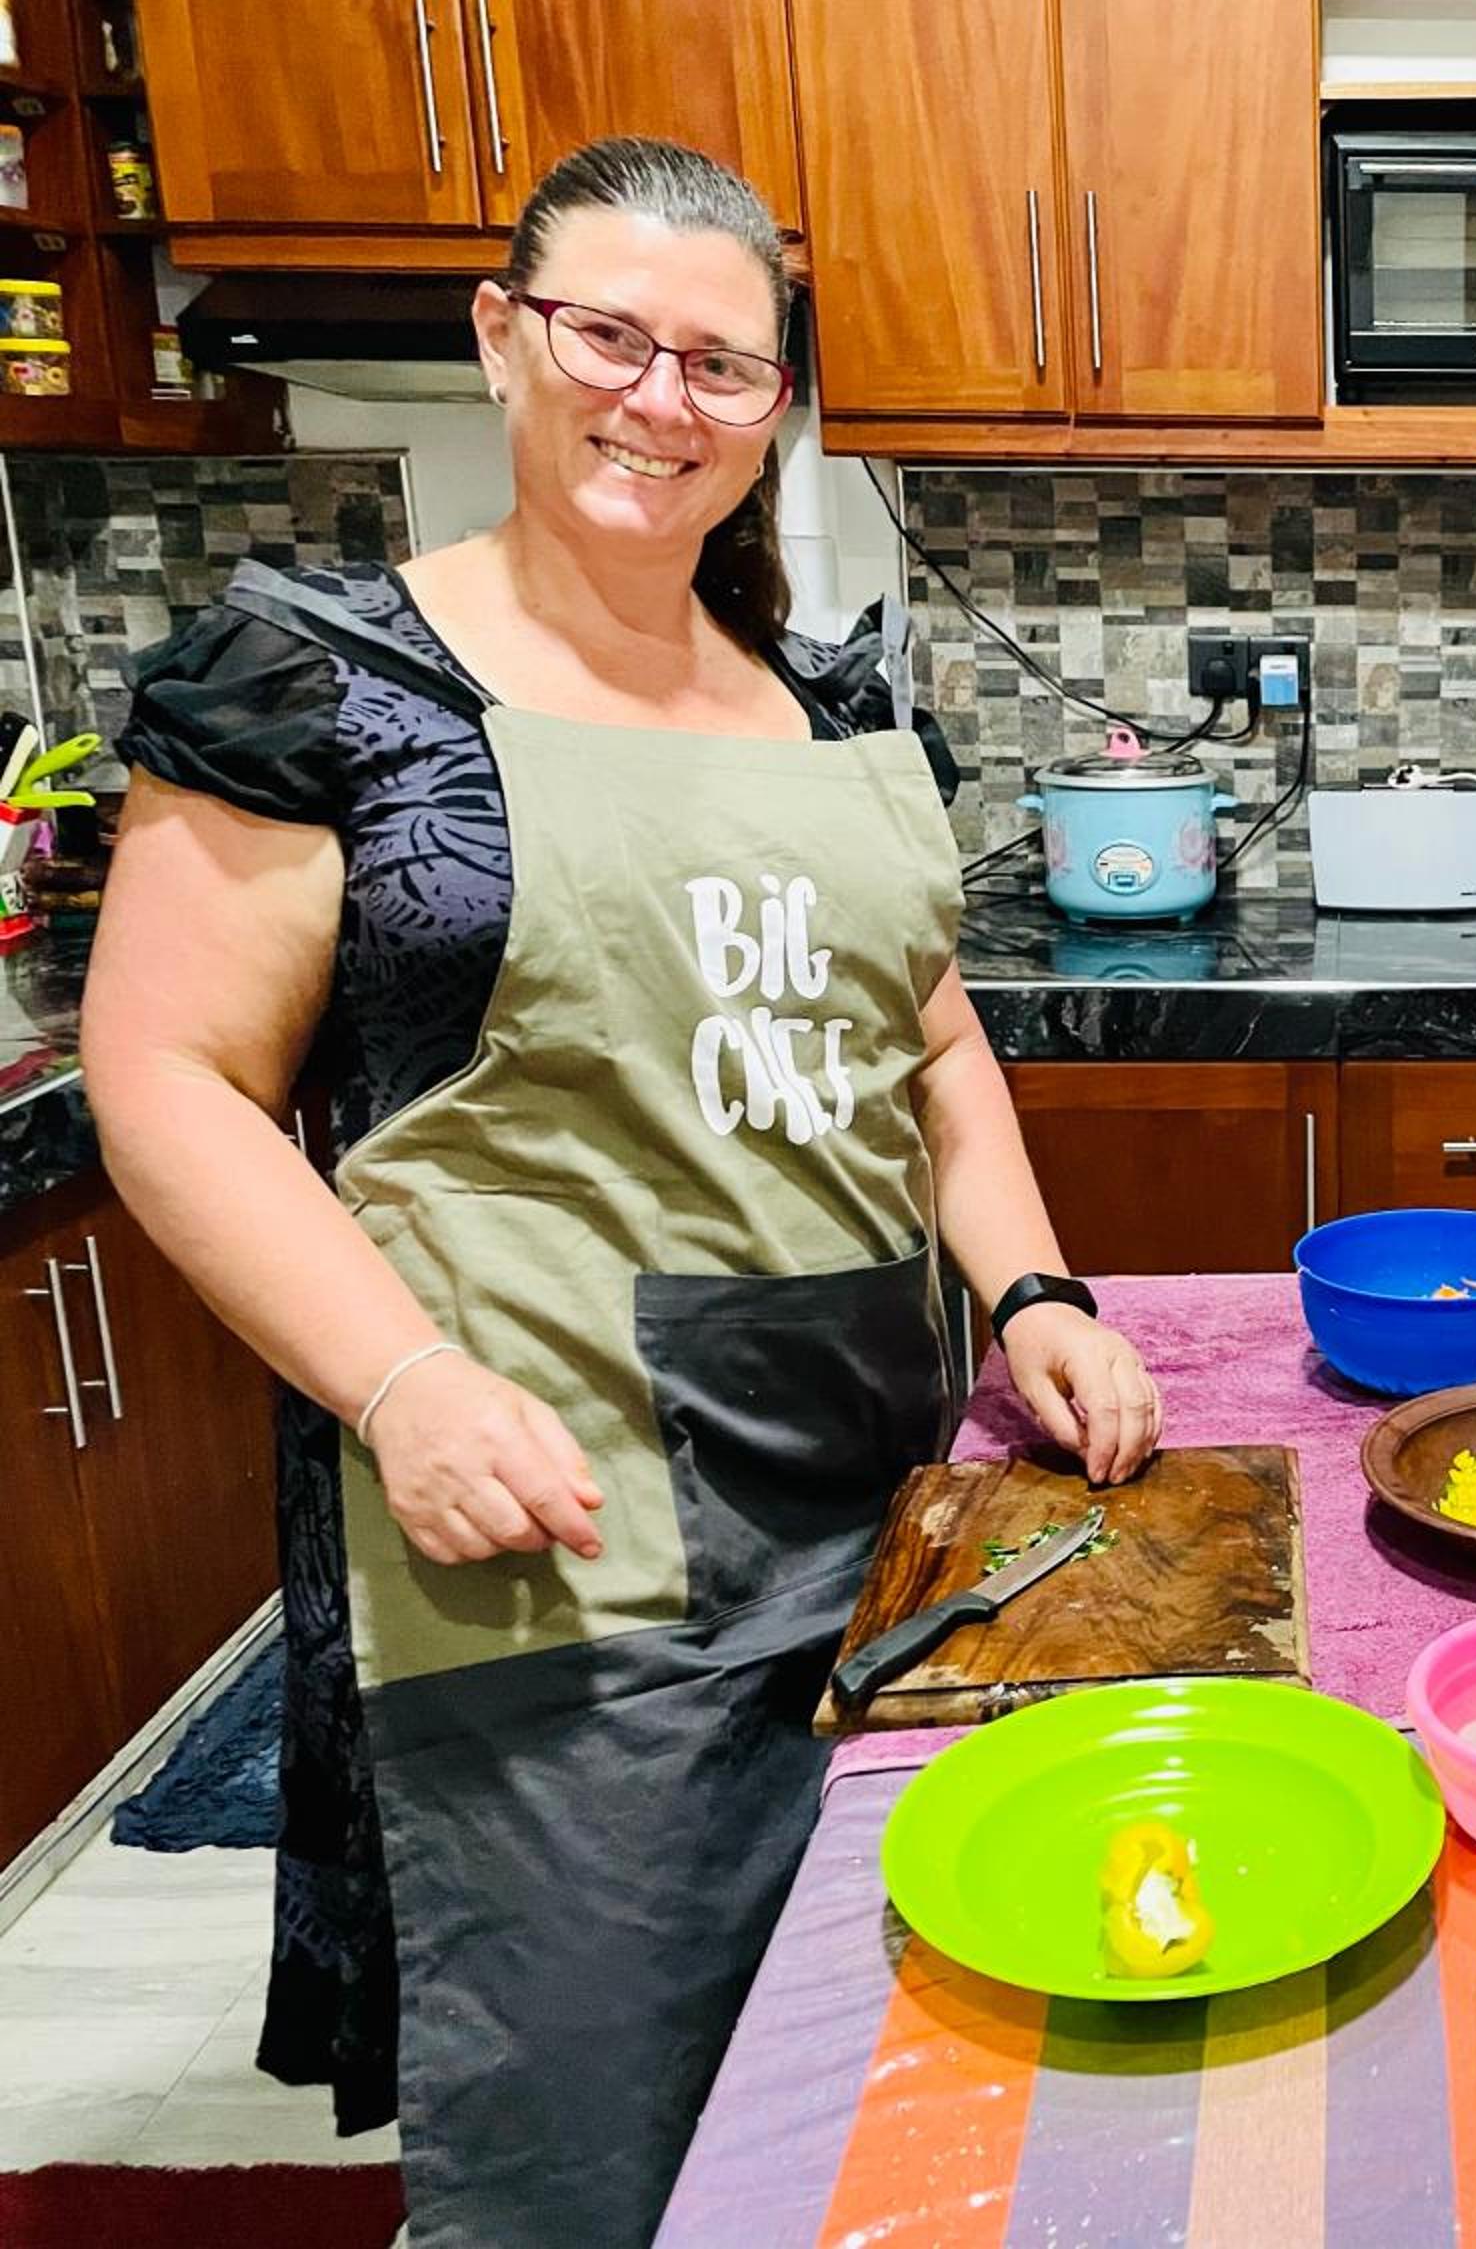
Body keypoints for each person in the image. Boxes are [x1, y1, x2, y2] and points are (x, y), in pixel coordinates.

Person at [80, 137, 1160, 2244]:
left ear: (773, 410)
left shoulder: (832, 708)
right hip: (558, 1522)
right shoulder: (327, 679)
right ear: (503, 338)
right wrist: (398, 1382)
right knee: (604, 2124)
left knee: (901, 2062)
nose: (662, 400)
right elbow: (168, 1076)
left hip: (886, 1501)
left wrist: (1035, 1294)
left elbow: (932, 1045)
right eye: (610, 337)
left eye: (721, 364)